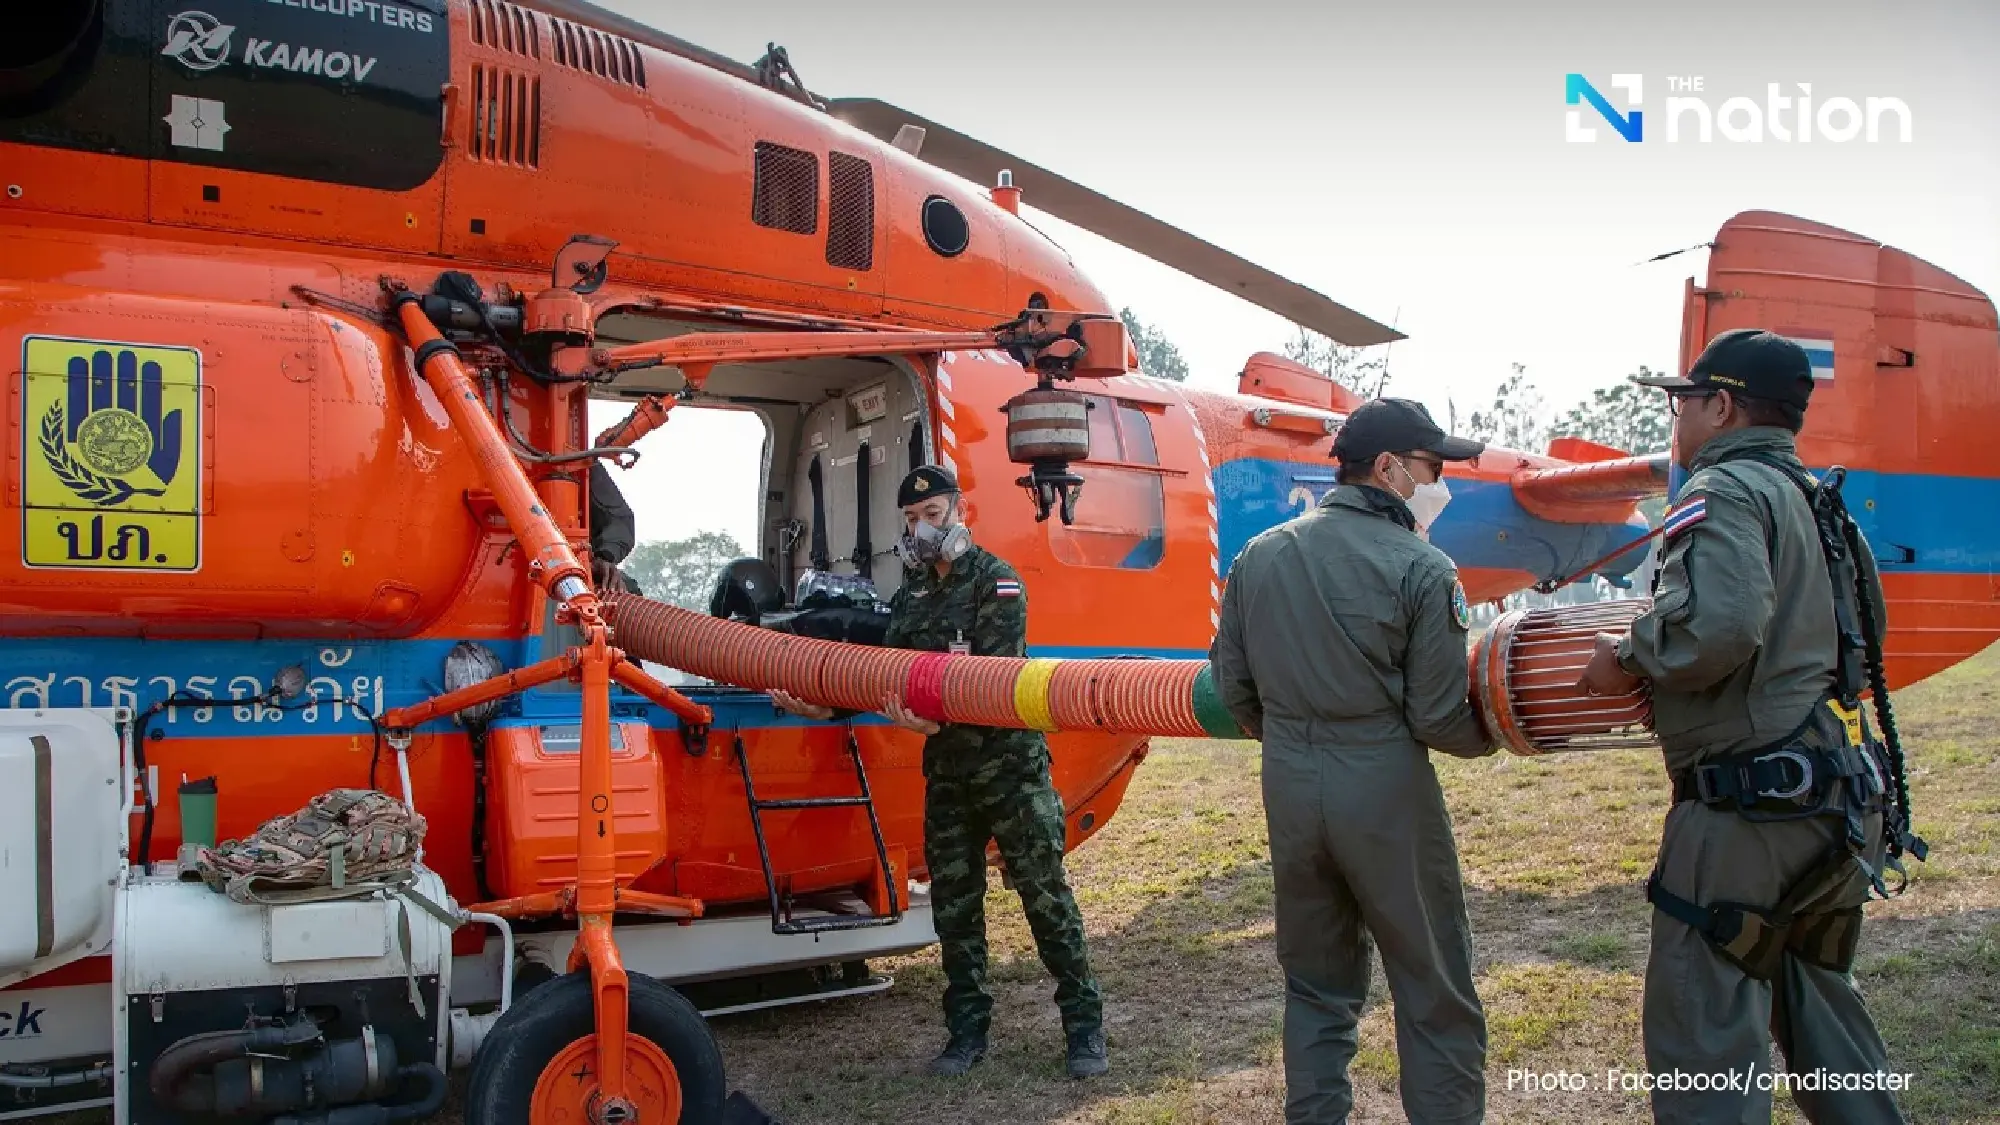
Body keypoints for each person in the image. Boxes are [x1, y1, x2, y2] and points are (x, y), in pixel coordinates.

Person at [1579, 328, 1917, 1124]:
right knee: (1828, 1023)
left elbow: (1718, 627)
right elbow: (1865, 645)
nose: (1675, 417)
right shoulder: (1821, 500)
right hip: (1835, 801)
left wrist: (1625, 653)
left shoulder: (1725, 490)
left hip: (1747, 814)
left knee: (1703, 1040)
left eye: (1681, 400)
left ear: (1721, 405)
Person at [1209, 397, 1496, 1125]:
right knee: (1432, 985)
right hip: (1384, 785)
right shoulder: (1424, 567)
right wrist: (1499, 731)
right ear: (1390, 468)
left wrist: (1298, 734)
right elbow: (1437, 715)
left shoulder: (1259, 554)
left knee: (1315, 987)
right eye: (1434, 468)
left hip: (1290, 780)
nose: (1442, 482)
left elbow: (1234, 687)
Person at [769, 465, 1107, 1079]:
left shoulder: (997, 583)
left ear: (959, 512)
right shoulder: (914, 591)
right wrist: (825, 705)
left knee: (1045, 901)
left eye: (930, 516)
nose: (920, 530)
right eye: (909, 521)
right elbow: (890, 674)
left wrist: (936, 723)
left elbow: (991, 682)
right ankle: (966, 1033)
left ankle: (1084, 1028)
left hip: (1009, 772)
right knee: (954, 907)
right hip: (949, 777)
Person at [587, 459, 643, 594]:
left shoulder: (580, 461)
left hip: (582, 566)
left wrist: (604, 557)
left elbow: (618, 519)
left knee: (625, 591)